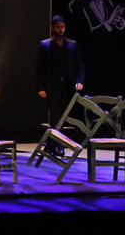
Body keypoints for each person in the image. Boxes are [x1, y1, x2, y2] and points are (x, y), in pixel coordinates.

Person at [36, 15, 84, 155]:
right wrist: (40, 87)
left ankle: (51, 144)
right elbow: (40, 68)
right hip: (52, 87)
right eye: (58, 27)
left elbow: (80, 65)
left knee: (63, 116)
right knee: (56, 116)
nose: (61, 29)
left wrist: (80, 81)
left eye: (62, 27)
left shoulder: (72, 45)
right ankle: (59, 145)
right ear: (53, 28)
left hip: (68, 87)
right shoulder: (45, 45)